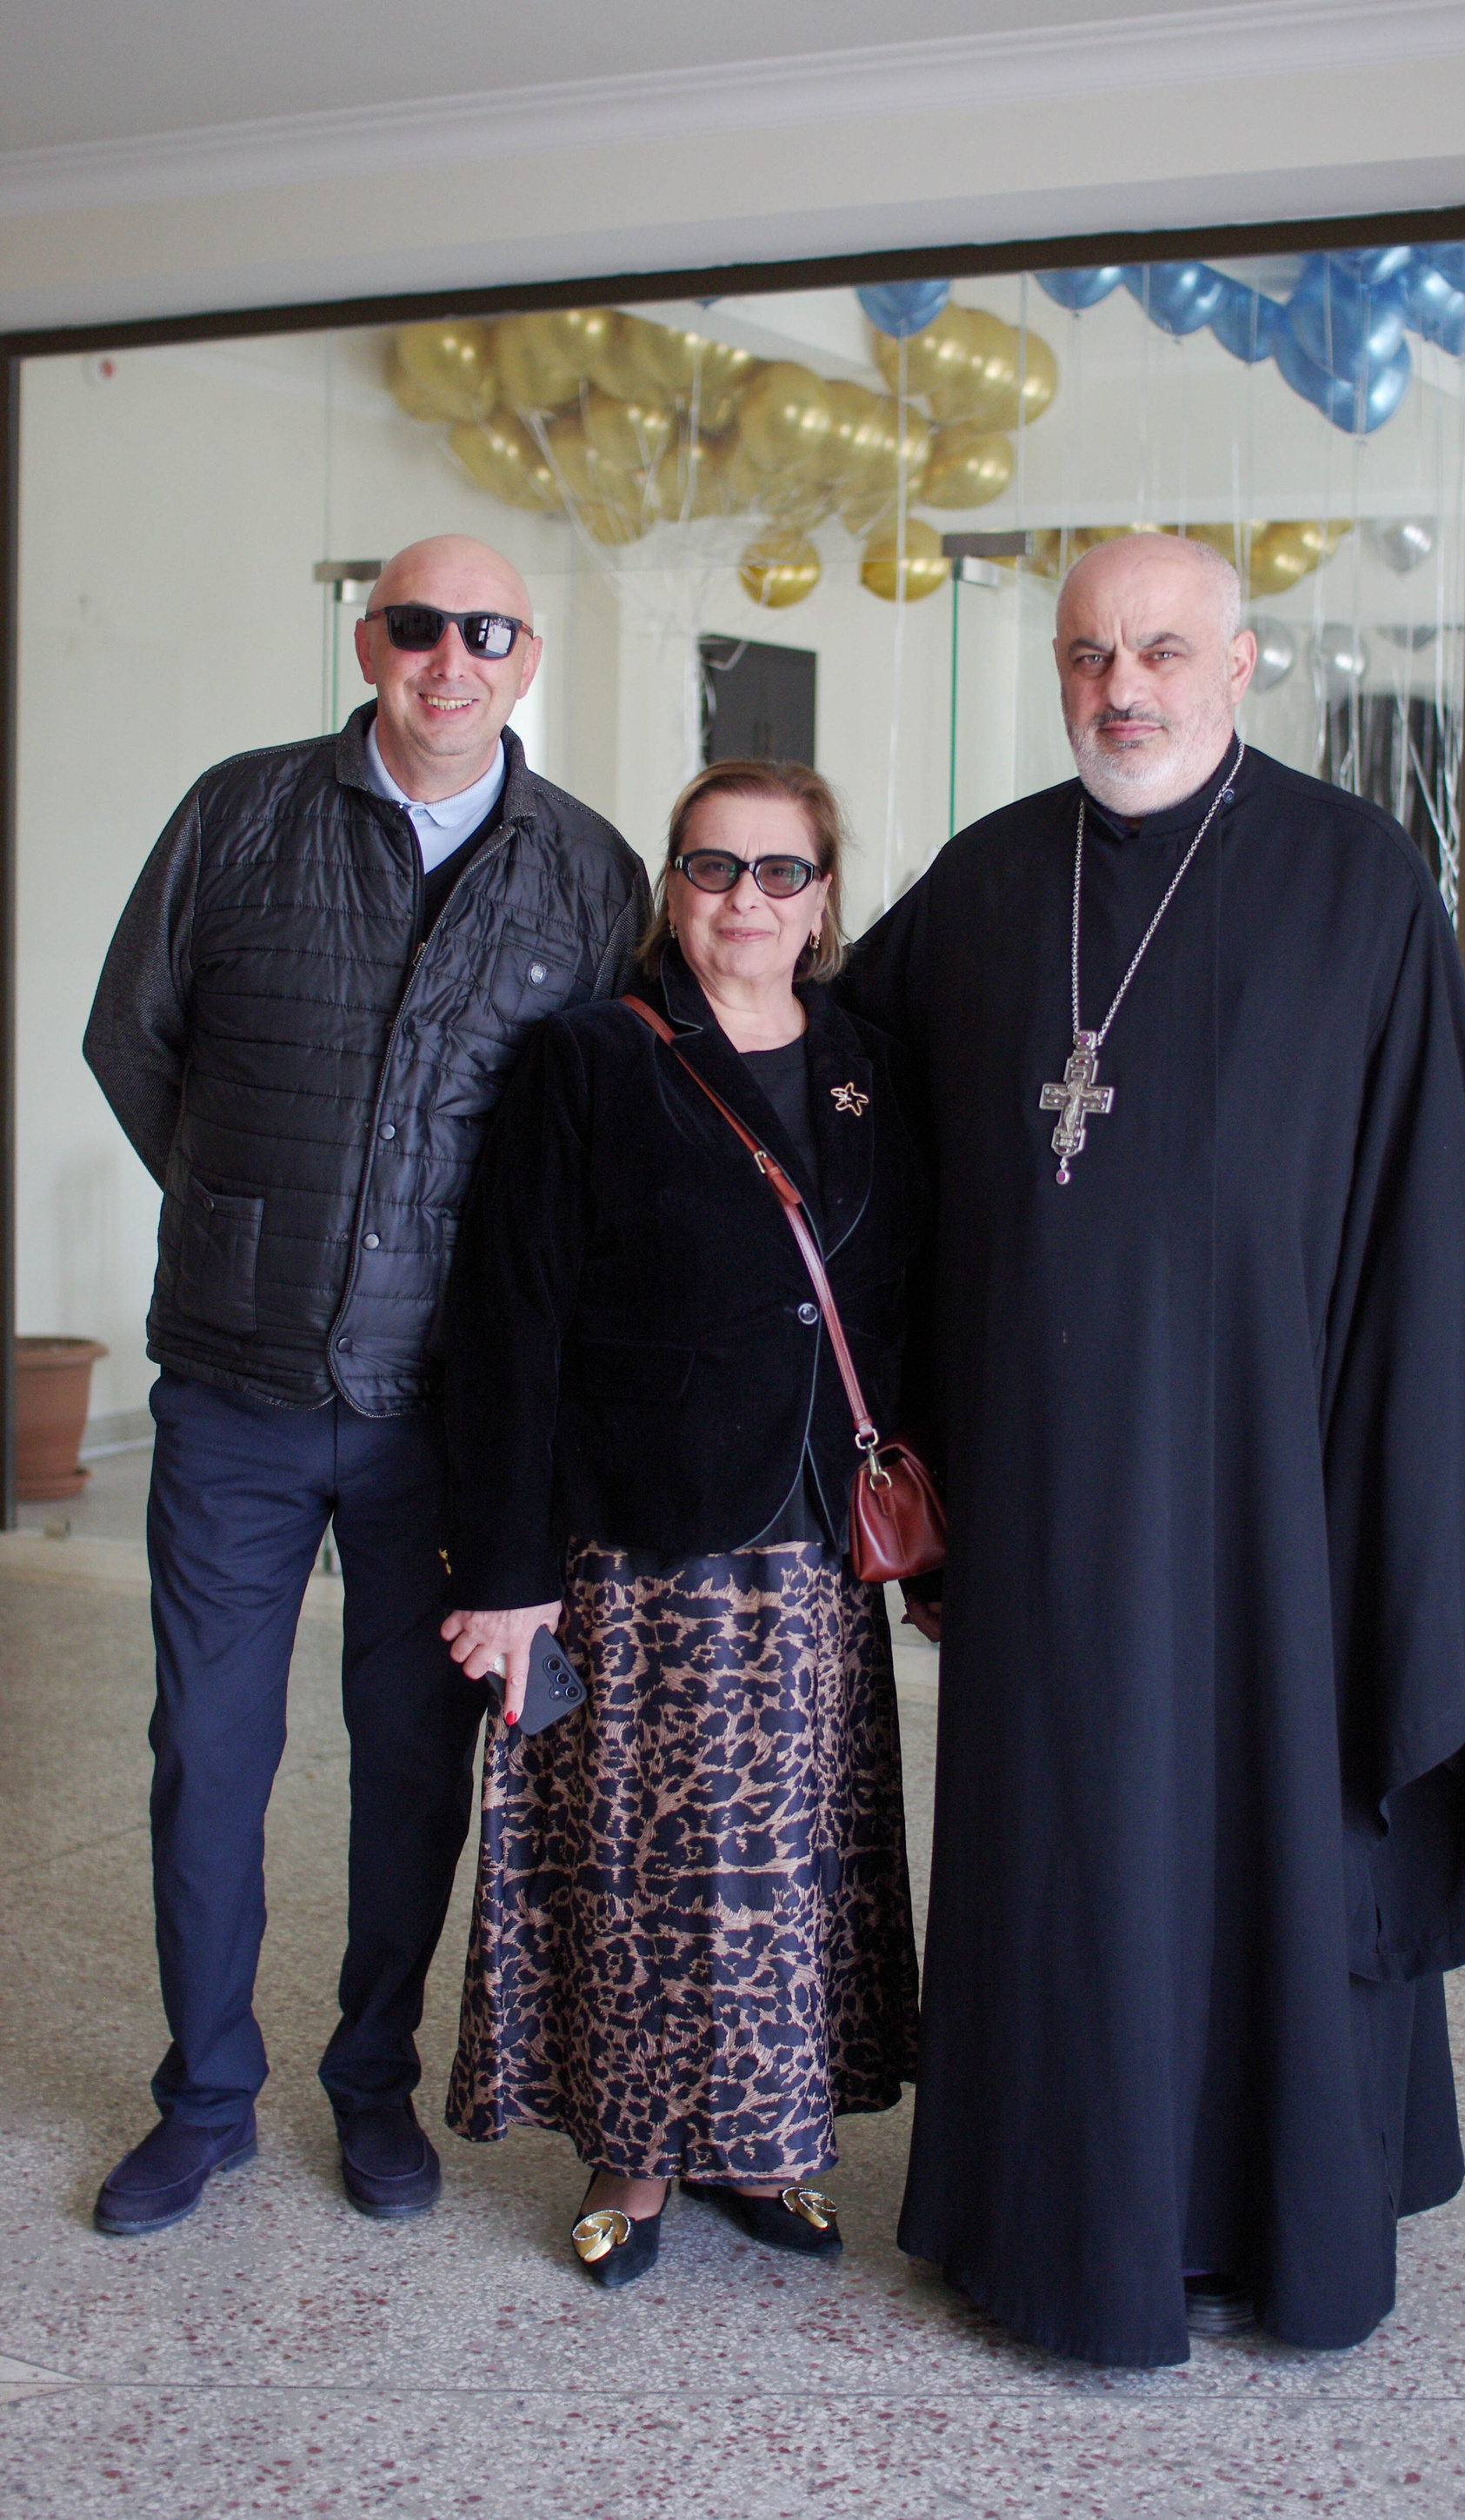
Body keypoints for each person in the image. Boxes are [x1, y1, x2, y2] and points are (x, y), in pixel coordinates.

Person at [840, 532, 1465, 2367]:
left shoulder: (1357, 882)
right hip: (1046, 1500)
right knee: (1066, 1849)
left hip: (1271, 1515)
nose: (1122, 689)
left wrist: (1399, 1520)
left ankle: (1266, 2215)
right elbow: (848, 1121)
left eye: (1162, 650)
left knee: (1266, 1838)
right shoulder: (991, 881)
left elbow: (1428, 1235)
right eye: (1089, 654)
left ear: (1240, 665)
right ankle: (1048, 2220)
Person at [83, 535, 649, 2237]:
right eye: (417, 626)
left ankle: (371, 2082)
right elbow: (131, 1036)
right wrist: (241, 1214)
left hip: (441, 1418)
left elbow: (598, 1138)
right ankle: (205, 2098)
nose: (448, 659)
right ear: (368, 640)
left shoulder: (587, 871)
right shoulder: (240, 812)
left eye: (486, 631)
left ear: (526, 656)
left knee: (410, 1763)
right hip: (234, 1389)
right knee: (210, 1754)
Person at [438, 758, 922, 2287]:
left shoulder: (869, 1067)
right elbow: (509, 1321)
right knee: (650, 1870)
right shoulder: (591, 1058)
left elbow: (901, 1303)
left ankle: (762, 2144)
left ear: (823, 900)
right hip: (647, 1540)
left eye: (781, 872)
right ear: (674, 889)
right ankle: (635, 2158)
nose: (745, 901)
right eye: (714, 868)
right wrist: (507, 1572)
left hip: (813, 1542)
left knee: (783, 1875)